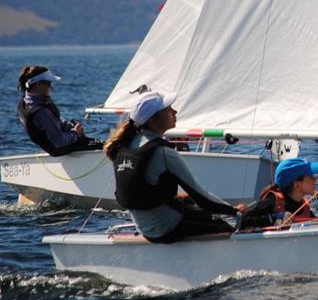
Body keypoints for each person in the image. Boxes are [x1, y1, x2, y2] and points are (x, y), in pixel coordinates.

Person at [103, 91, 242, 243]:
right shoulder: (162, 152)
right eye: (169, 109)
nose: (174, 112)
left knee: (188, 202)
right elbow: (203, 200)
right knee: (224, 225)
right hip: (168, 229)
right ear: (154, 120)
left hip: (145, 228)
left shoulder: (124, 146)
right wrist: (236, 211)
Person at [17, 65, 103, 156]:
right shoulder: (42, 112)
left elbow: (56, 123)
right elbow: (59, 141)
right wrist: (76, 133)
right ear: (38, 84)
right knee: (105, 145)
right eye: (49, 84)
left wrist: (70, 127)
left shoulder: (27, 101)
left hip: (56, 145)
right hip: (60, 148)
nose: (51, 88)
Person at [240, 157, 318, 229]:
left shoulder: (303, 206)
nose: (315, 180)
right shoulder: (273, 201)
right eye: (310, 177)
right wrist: (274, 218)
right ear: (297, 185)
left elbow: (317, 224)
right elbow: (242, 220)